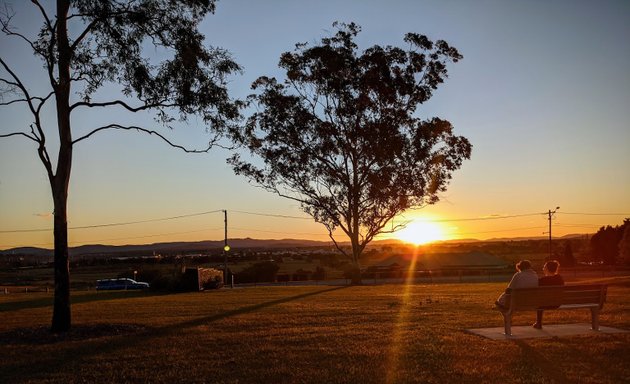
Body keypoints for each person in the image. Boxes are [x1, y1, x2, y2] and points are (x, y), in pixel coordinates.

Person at [532, 260, 564, 329]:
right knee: (541, 301)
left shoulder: (542, 280)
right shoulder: (560, 279)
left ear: (547, 269)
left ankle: (539, 323)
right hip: (557, 303)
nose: (543, 268)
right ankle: (538, 323)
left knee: (539, 302)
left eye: (544, 267)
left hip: (544, 304)